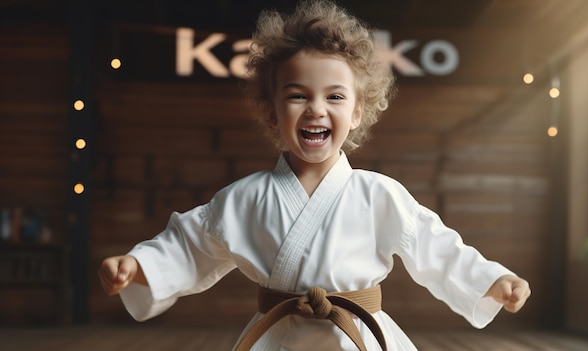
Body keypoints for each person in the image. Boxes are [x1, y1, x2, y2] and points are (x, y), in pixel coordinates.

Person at [98, 1, 531, 350]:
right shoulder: (243, 199)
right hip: (278, 337)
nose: (316, 109)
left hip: (358, 336)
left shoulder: (379, 194)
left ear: (358, 111)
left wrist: (491, 279)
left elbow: (438, 248)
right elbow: (189, 244)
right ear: (271, 110)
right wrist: (138, 265)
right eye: (297, 95)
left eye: (335, 96)